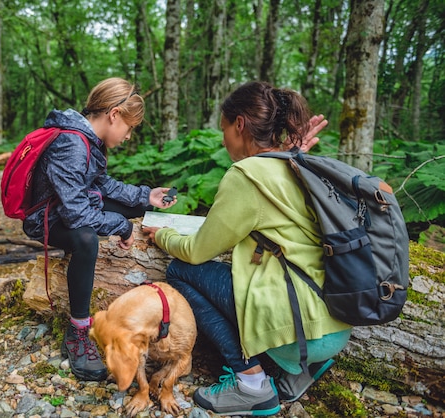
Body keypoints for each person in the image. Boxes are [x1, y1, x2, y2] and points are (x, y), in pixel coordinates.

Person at [142, 81, 352, 416]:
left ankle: (251, 383)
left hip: (300, 333)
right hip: (335, 324)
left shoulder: (247, 175)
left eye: (224, 127)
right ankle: (299, 373)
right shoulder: (297, 163)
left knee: (180, 270)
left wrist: (162, 236)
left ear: (239, 124)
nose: (223, 138)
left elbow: (197, 252)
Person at [22, 77, 177, 382]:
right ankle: (78, 331)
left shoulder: (89, 142)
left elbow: (101, 185)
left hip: (67, 207)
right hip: (45, 219)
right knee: (85, 238)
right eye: (129, 127)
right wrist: (120, 227)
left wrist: (146, 195)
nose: (129, 136)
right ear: (114, 115)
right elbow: (77, 214)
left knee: (137, 208)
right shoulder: (72, 144)